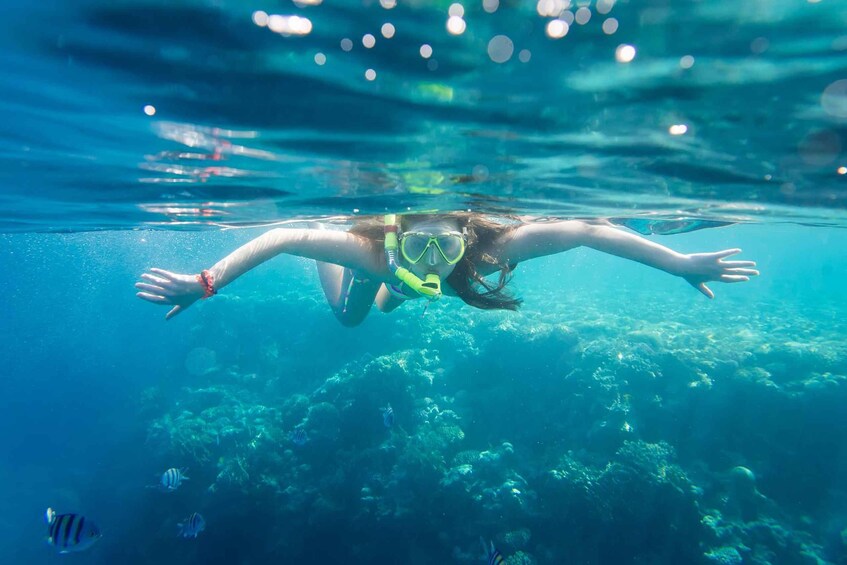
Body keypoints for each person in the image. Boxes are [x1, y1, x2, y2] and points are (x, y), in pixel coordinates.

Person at [135, 213, 758, 327]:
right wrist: (205, 283)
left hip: (399, 280)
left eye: (445, 247)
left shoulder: (495, 246)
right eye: (417, 247)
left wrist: (677, 262)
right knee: (351, 320)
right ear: (397, 236)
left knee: (403, 294)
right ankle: (329, 273)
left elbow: (591, 230)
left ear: (469, 236)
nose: (434, 258)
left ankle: (395, 291)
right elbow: (278, 235)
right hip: (377, 277)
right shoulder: (377, 252)